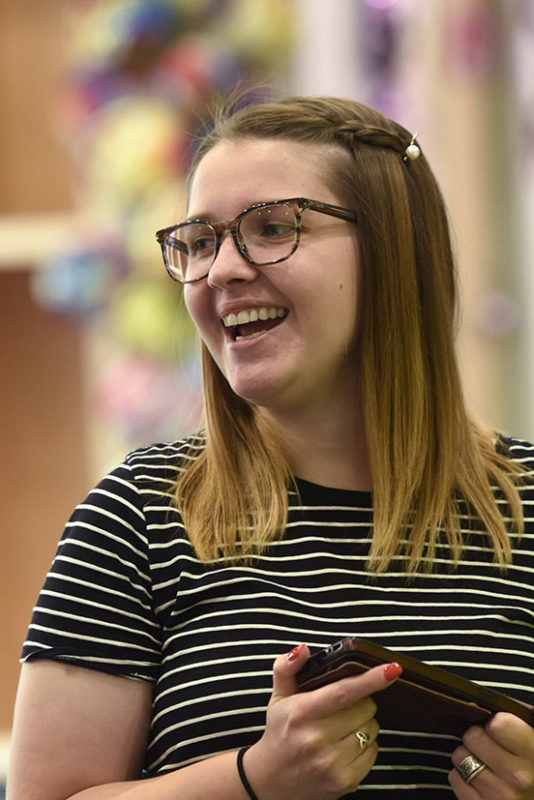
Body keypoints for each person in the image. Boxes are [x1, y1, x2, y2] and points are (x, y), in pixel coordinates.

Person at [7, 95, 534, 800]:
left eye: (274, 228)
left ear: (394, 248)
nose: (221, 269)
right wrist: (253, 781)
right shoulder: (139, 517)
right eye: (200, 241)